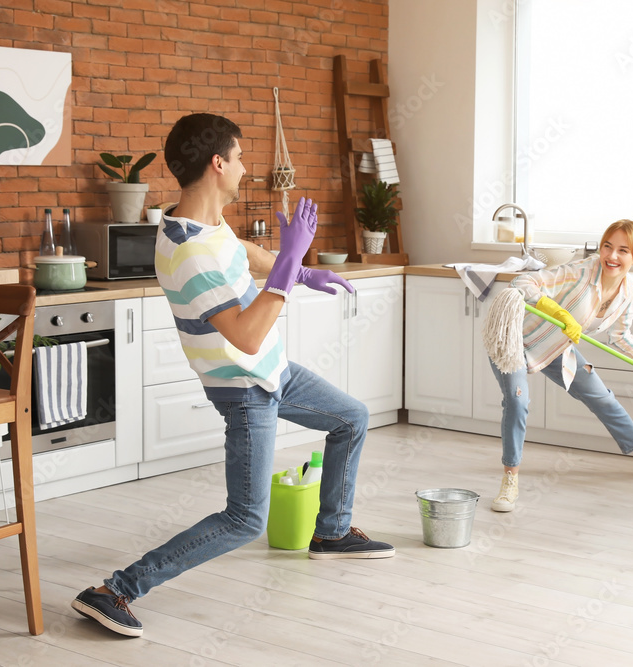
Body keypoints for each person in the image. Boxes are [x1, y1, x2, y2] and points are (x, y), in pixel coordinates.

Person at [71, 113, 394, 638]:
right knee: (246, 518)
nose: (245, 168)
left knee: (351, 418)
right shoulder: (188, 251)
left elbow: (244, 254)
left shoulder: (204, 224)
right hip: (243, 387)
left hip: (270, 370)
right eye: (240, 157)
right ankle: (115, 590)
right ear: (218, 163)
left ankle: (331, 533)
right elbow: (243, 334)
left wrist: (303, 269)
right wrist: (290, 266)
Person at [489, 219, 633, 513]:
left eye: (623, 250)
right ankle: (510, 480)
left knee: (603, 398)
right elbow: (523, 282)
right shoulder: (581, 271)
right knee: (518, 402)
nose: (612, 256)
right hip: (515, 340)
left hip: (557, 347)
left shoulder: (628, 289)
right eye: (607, 246)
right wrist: (559, 313)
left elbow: (620, 335)